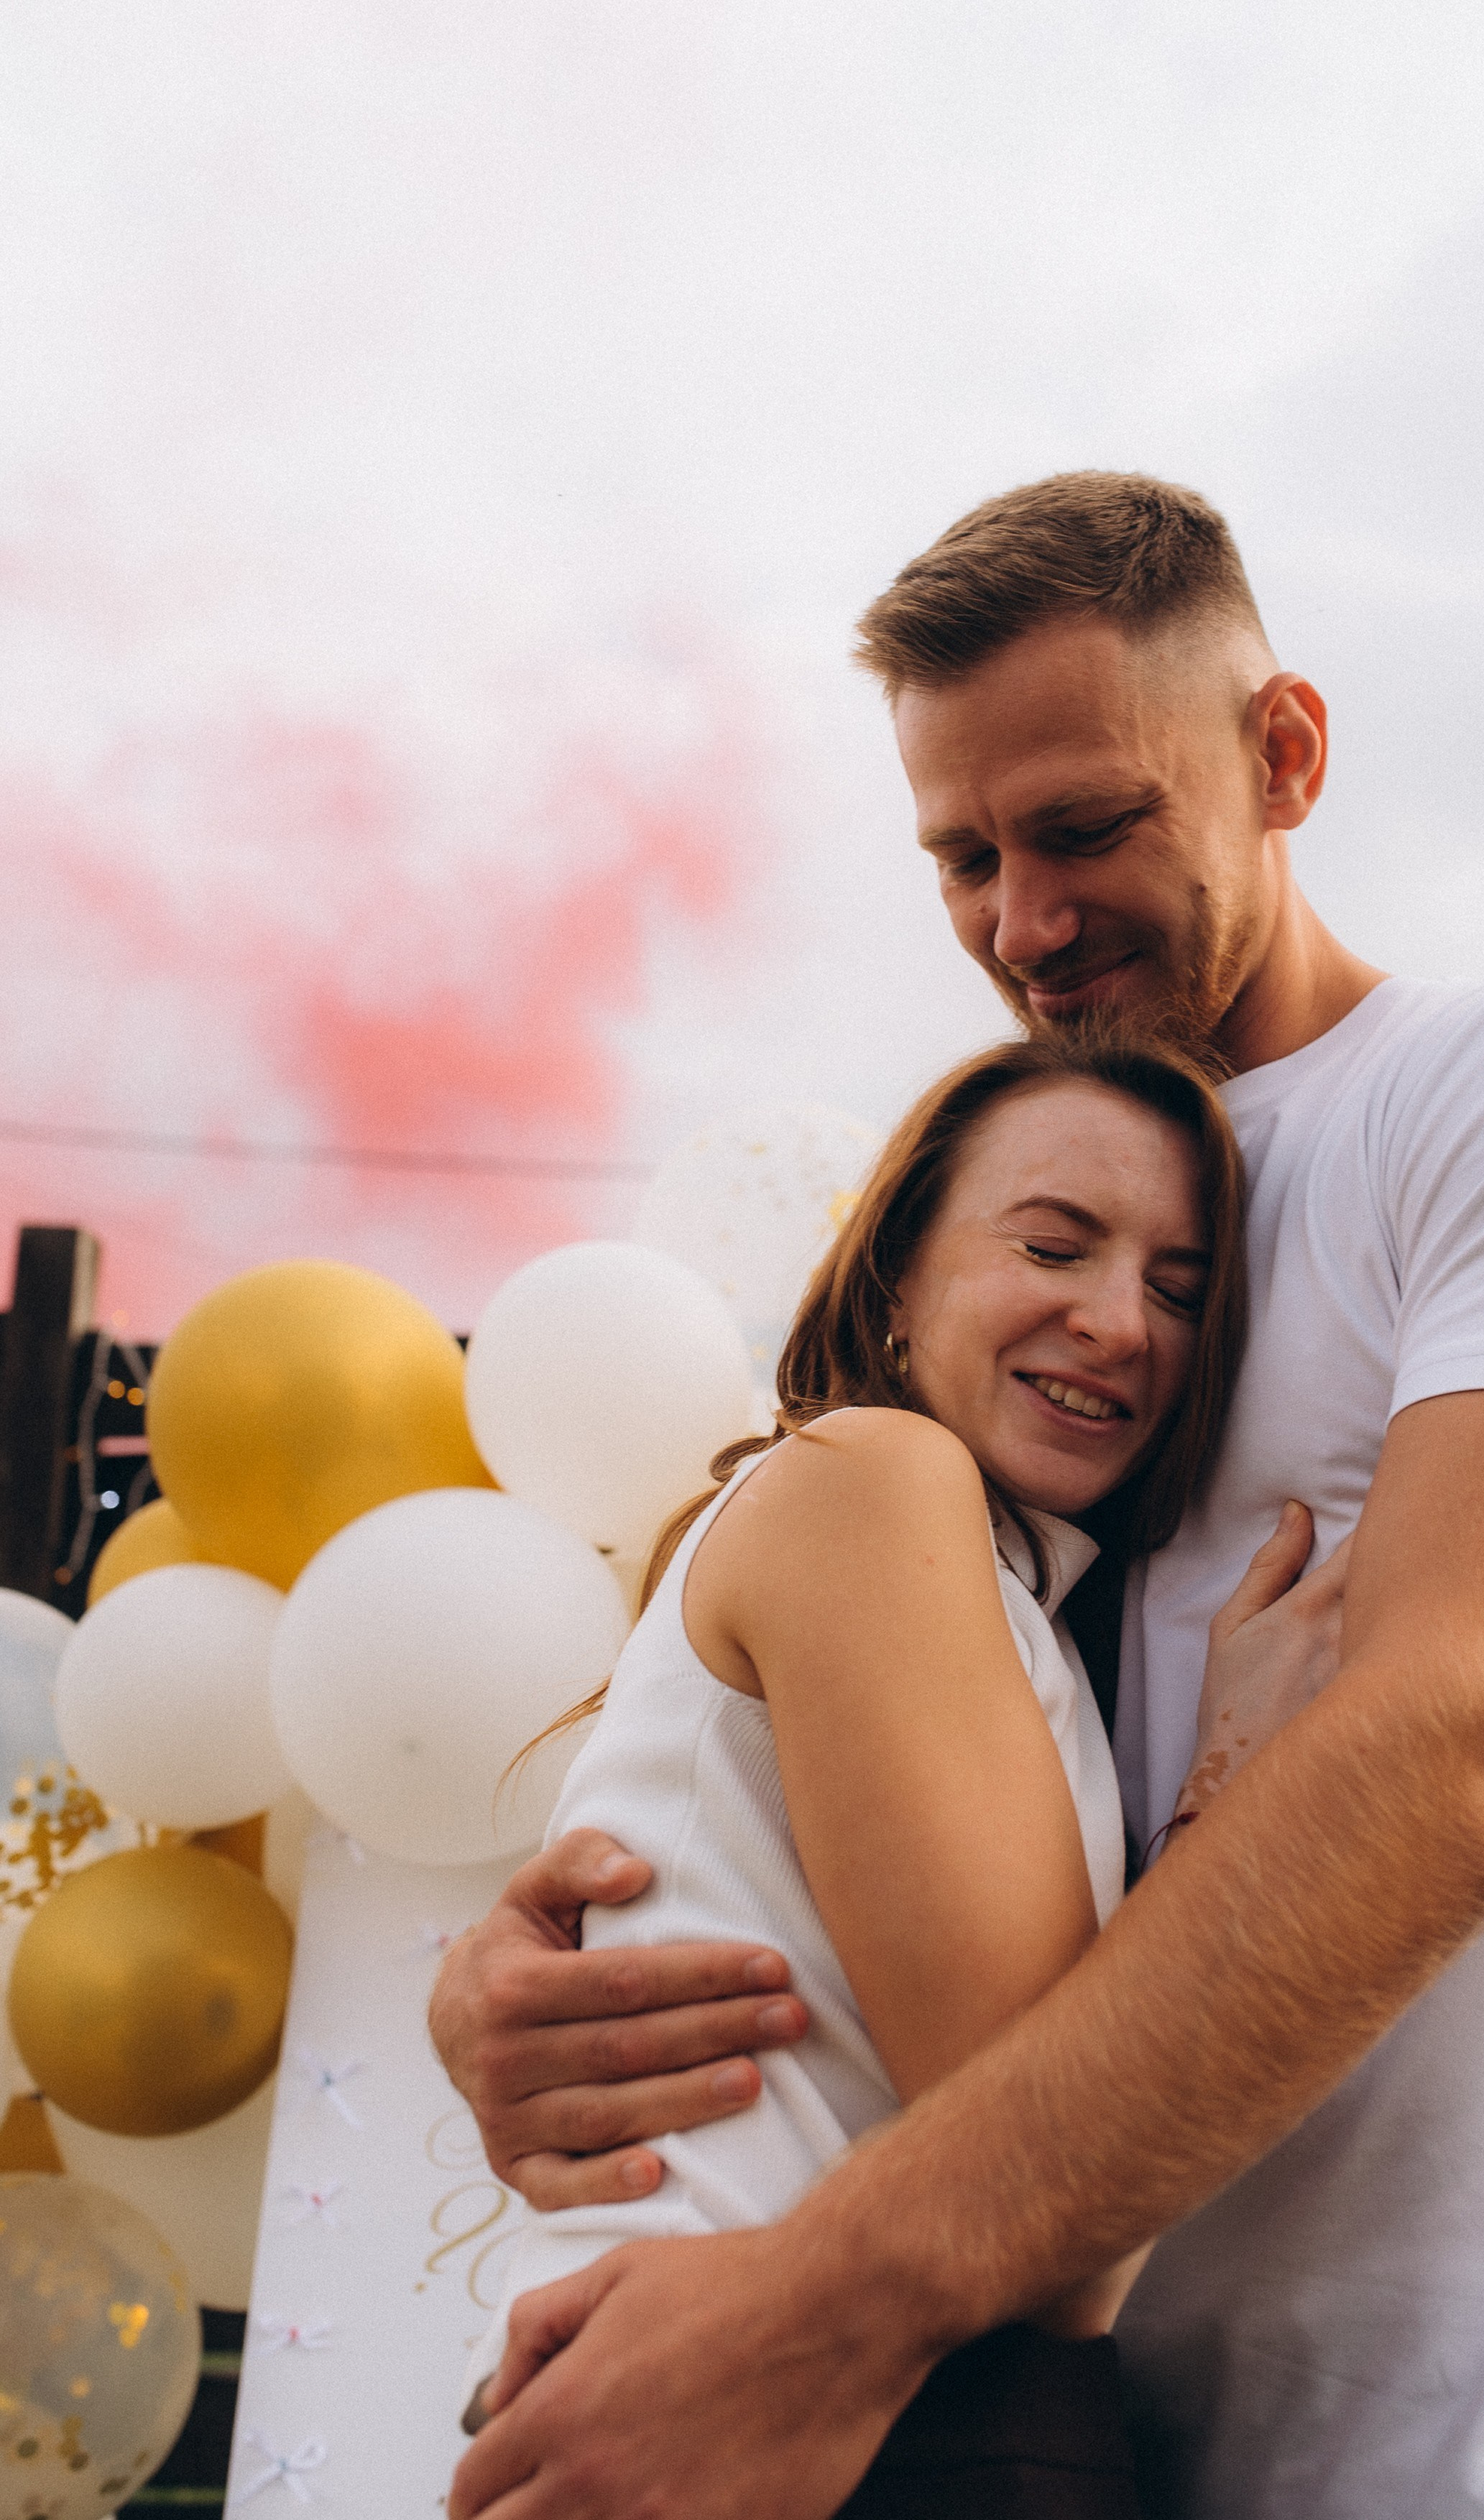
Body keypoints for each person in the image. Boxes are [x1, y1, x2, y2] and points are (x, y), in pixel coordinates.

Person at [440, 474, 1484, 2520]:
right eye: (962, 857)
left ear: (1281, 754)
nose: (1021, 923)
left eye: (1083, 826)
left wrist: (817, 2312)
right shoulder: (1018, 1299)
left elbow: (1459, 1749)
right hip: (1099, 2443)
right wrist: (526, 1983)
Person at [458, 1026, 1347, 2516]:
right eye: (1051, 1245)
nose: (1118, 1322)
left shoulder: (1011, 1608)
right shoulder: (871, 1476)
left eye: (1179, 1290)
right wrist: (1236, 1780)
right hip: (780, 2414)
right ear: (893, 1283)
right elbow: (1057, 2197)